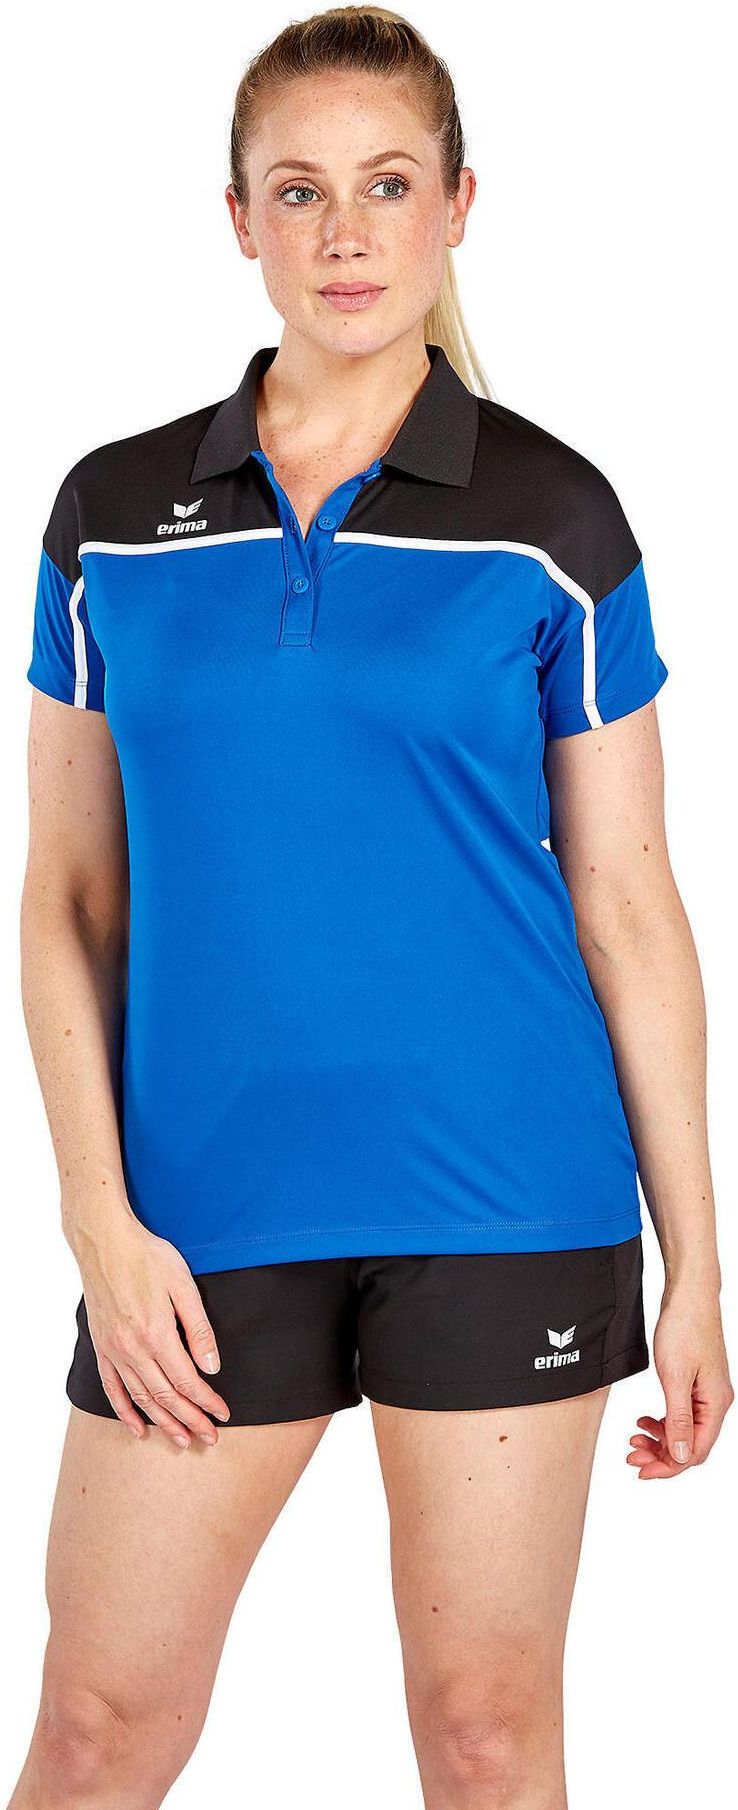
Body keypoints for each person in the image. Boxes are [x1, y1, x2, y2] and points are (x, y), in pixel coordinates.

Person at [12, 7, 733, 1809]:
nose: (344, 233)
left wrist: (697, 1268)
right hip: (198, 1215)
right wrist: (97, 1218)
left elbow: (629, 906)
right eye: (299, 190)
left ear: (457, 205)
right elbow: (67, 897)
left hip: (507, 1193)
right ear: (236, 218)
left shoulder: (552, 515)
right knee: (98, 1728)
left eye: (388, 185)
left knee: (484, 1737)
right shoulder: (110, 516)